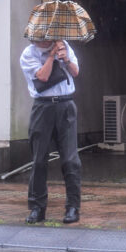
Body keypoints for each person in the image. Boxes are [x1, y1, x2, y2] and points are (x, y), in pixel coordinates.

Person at [20, 37, 81, 224]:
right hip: (43, 107)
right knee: (39, 159)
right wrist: (52, 56)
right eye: (41, 39)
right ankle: (37, 208)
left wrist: (66, 59)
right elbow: (43, 77)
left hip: (65, 104)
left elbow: (76, 72)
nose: (46, 41)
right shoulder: (28, 54)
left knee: (70, 160)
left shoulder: (65, 46)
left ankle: (72, 207)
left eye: (48, 38)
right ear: (34, 39)